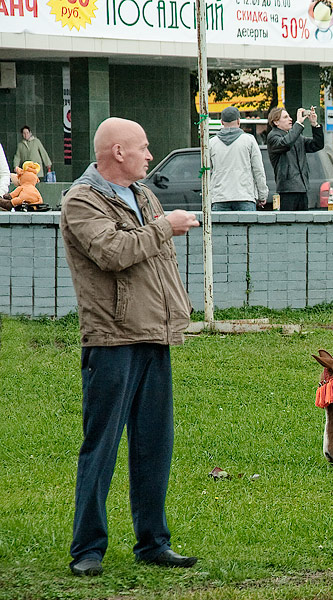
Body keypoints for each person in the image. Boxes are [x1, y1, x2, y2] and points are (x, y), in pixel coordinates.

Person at [60, 117, 200, 577]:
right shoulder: (80, 201)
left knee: (154, 444)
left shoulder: (143, 195)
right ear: (117, 152)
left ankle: (153, 542)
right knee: (101, 445)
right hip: (112, 339)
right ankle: (88, 548)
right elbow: (113, 252)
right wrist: (165, 228)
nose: (148, 153)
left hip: (153, 335)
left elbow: (155, 261)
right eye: (142, 147)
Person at [209, 106, 268, 211]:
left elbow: (207, 172)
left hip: (220, 197)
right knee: (247, 227)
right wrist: (262, 194)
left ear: (222, 122)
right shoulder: (249, 140)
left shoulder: (212, 143)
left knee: (221, 227)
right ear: (238, 121)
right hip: (244, 196)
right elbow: (258, 169)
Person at [266, 105, 324, 210]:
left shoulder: (297, 137)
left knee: (304, 222)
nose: (290, 119)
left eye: (289, 116)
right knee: (288, 222)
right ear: (276, 122)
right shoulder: (273, 136)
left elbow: (317, 144)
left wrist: (314, 124)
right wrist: (298, 124)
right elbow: (286, 143)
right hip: (287, 189)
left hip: (302, 187)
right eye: (285, 117)